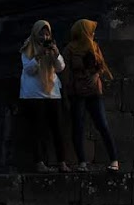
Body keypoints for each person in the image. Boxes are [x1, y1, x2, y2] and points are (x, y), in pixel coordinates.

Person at [64, 19, 120, 172]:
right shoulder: (70, 49)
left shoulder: (94, 46)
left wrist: (95, 75)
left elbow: (101, 66)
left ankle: (114, 160)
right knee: (78, 126)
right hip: (77, 91)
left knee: (102, 124)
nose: (93, 33)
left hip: (94, 90)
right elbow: (66, 71)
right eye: (90, 30)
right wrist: (69, 89)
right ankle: (82, 162)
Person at [19, 19, 69, 172]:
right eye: (41, 34)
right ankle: (39, 162)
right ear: (35, 33)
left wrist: (56, 53)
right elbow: (28, 70)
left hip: (52, 93)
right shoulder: (28, 47)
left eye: (47, 34)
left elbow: (60, 68)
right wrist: (38, 56)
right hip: (33, 94)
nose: (44, 38)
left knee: (58, 129)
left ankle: (62, 162)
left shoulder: (51, 48)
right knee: (38, 130)